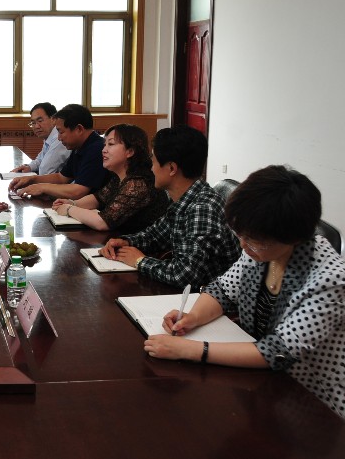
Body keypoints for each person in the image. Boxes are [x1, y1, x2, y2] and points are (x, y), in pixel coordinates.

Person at [145, 165, 345, 418]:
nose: (243, 246)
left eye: (252, 241)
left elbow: (277, 351)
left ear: (294, 238)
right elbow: (222, 290)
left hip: (309, 401)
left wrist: (189, 350)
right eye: (240, 235)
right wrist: (192, 317)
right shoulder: (261, 249)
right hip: (258, 384)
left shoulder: (330, 279)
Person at [100, 125, 240, 289]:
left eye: (153, 161)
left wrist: (140, 261)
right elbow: (155, 235)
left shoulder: (202, 207)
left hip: (208, 298)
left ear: (172, 168)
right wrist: (125, 242)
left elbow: (185, 275)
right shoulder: (185, 198)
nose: (151, 168)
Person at [52, 124, 169, 233]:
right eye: (105, 145)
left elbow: (103, 222)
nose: (104, 150)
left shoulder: (138, 183)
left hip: (140, 245)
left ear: (130, 151)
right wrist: (73, 203)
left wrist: (69, 209)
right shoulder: (120, 176)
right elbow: (99, 198)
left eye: (111, 144)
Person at [9, 104, 107, 200]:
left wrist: (42, 187)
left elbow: (78, 191)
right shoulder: (79, 146)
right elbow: (62, 178)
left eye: (61, 132)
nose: (59, 138)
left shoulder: (96, 149)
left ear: (79, 129)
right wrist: (32, 180)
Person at [11, 102, 71, 175]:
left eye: (40, 121)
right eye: (33, 123)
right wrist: (29, 167)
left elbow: (45, 171)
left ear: (53, 119)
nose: (36, 126)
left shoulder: (59, 139)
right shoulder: (49, 136)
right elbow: (40, 159)